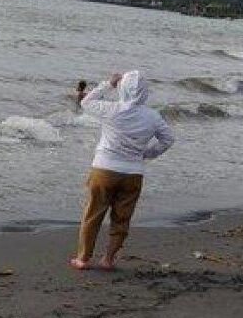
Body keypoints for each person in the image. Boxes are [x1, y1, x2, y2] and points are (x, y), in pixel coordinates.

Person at [70, 70, 174, 271]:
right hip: (133, 173)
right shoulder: (152, 116)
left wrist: (109, 84)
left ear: (122, 89)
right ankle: (108, 258)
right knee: (122, 218)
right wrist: (147, 154)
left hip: (104, 169)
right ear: (145, 92)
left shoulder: (112, 109)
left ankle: (83, 259)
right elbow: (168, 139)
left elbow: (85, 102)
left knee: (92, 215)